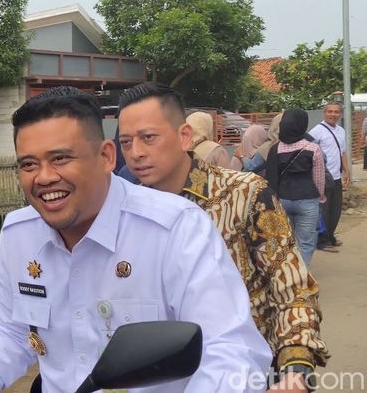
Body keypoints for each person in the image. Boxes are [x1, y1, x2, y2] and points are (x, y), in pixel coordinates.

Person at [0, 86, 272, 393]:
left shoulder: (174, 228)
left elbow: (230, 352)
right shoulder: (19, 233)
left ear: (106, 156)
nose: (43, 178)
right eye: (28, 164)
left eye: (60, 158)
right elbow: (14, 333)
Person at [117, 83, 329, 392]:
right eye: (126, 141)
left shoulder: (244, 194)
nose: (135, 152)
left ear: (184, 136)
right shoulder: (126, 211)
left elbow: (291, 287)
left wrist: (295, 369)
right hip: (159, 377)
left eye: (148, 137)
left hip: (247, 372)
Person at [264, 109, 326, 267]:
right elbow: (319, 178)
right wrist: (320, 197)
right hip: (307, 199)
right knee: (306, 242)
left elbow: (270, 178)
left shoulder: (275, 149)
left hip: (282, 200)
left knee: (286, 240)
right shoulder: (313, 148)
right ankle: (301, 273)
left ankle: (288, 271)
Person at [308, 101, 350, 250]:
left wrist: (346, 171)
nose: (333, 114)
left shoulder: (341, 131)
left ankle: (330, 236)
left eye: (336, 112)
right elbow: (309, 153)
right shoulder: (316, 131)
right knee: (323, 210)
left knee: (335, 209)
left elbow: (342, 152)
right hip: (323, 177)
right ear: (324, 113)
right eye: (329, 111)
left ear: (340, 114)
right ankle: (321, 241)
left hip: (336, 177)